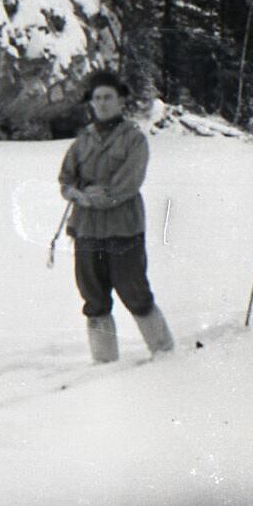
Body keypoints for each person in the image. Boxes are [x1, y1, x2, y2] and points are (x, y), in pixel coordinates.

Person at [58, 70, 173, 362]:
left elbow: (126, 184)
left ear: (121, 101)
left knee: (134, 291)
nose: (102, 103)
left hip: (123, 229)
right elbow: (66, 177)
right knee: (93, 297)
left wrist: (89, 196)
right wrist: (74, 193)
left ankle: (164, 353)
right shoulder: (82, 141)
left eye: (108, 97)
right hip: (86, 230)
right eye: (97, 98)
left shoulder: (134, 140)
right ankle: (104, 362)